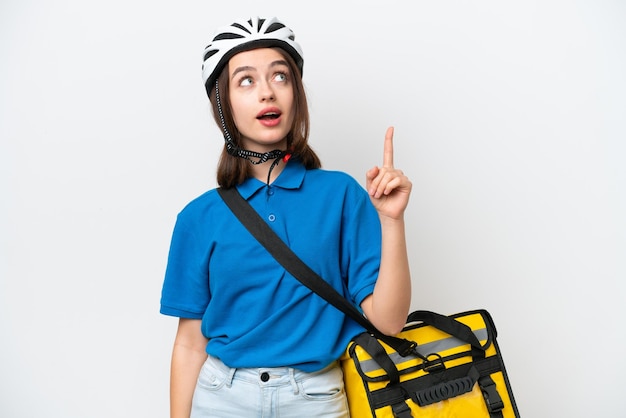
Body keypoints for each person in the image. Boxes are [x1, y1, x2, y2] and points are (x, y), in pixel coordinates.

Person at [160, 16, 412, 418]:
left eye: (280, 76)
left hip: (315, 398)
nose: (266, 93)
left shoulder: (342, 194)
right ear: (224, 105)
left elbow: (389, 321)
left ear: (296, 91)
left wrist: (392, 220)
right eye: (246, 80)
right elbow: (190, 343)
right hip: (221, 397)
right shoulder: (198, 217)